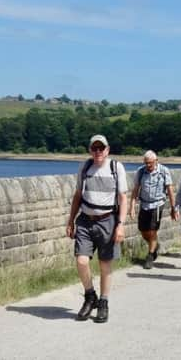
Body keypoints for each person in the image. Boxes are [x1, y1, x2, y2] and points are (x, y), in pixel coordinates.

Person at [66, 134, 128, 323]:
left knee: (105, 264)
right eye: (95, 148)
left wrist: (120, 225)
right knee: (82, 261)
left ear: (107, 150)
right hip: (85, 219)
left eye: (101, 148)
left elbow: (123, 198)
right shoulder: (85, 168)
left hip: (107, 219)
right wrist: (71, 220)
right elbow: (78, 195)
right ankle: (90, 295)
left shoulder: (115, 168)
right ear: (90, 150)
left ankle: (103, 302)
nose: (98, 152)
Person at [130, 150, 178, 269]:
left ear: (156, 161)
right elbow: (135, 189)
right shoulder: (141, 172)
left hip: (157, 204)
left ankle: (150, 256)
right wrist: (132, 206)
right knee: (143, 230)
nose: (148, 165)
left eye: (150, 163)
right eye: (146, 163)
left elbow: (170, 190)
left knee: (152, 230)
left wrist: (173, 208)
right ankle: (154, 245)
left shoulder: (163, 171)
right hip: (144, 204)